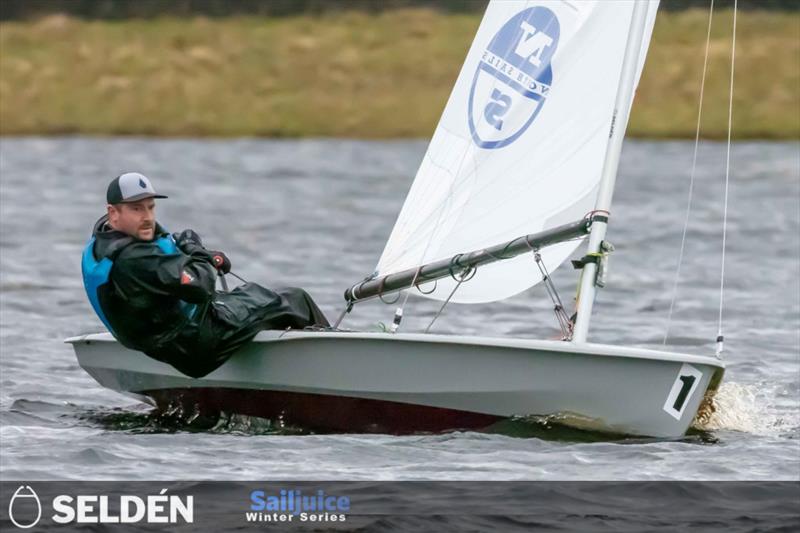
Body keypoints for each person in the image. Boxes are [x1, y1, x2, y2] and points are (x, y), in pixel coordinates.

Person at [81, 172, 330, 378]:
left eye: (150, 207)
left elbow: (161, 263)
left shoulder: (103, 242)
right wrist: (195, 250)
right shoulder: (136, 260)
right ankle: (333, 364)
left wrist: (200, 255)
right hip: (197, 343)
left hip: (165, 346)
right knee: (295, 298)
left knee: (249, 296)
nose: (147, 217)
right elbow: (200, 285)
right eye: (137, 209)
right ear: (113, 213)